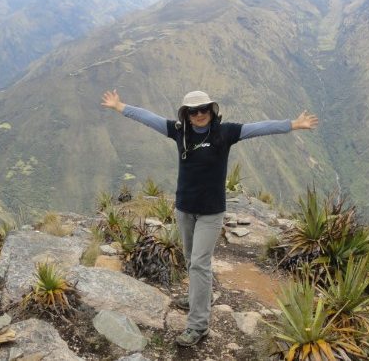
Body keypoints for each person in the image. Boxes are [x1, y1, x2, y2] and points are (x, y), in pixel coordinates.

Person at [101, 89, 319, 347]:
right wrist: (119, 106)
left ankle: (198, 325)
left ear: (211, 110)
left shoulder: (224, 133)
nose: (199, 114)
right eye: (193, 111)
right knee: (192, 259)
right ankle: (197, 298)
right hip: (184, 209)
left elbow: (258, 128)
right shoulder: (179, 131)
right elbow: (149, 118)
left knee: (200, 264)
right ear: (186, 114)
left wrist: (292, 124)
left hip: (211, 212)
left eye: (204, 109)